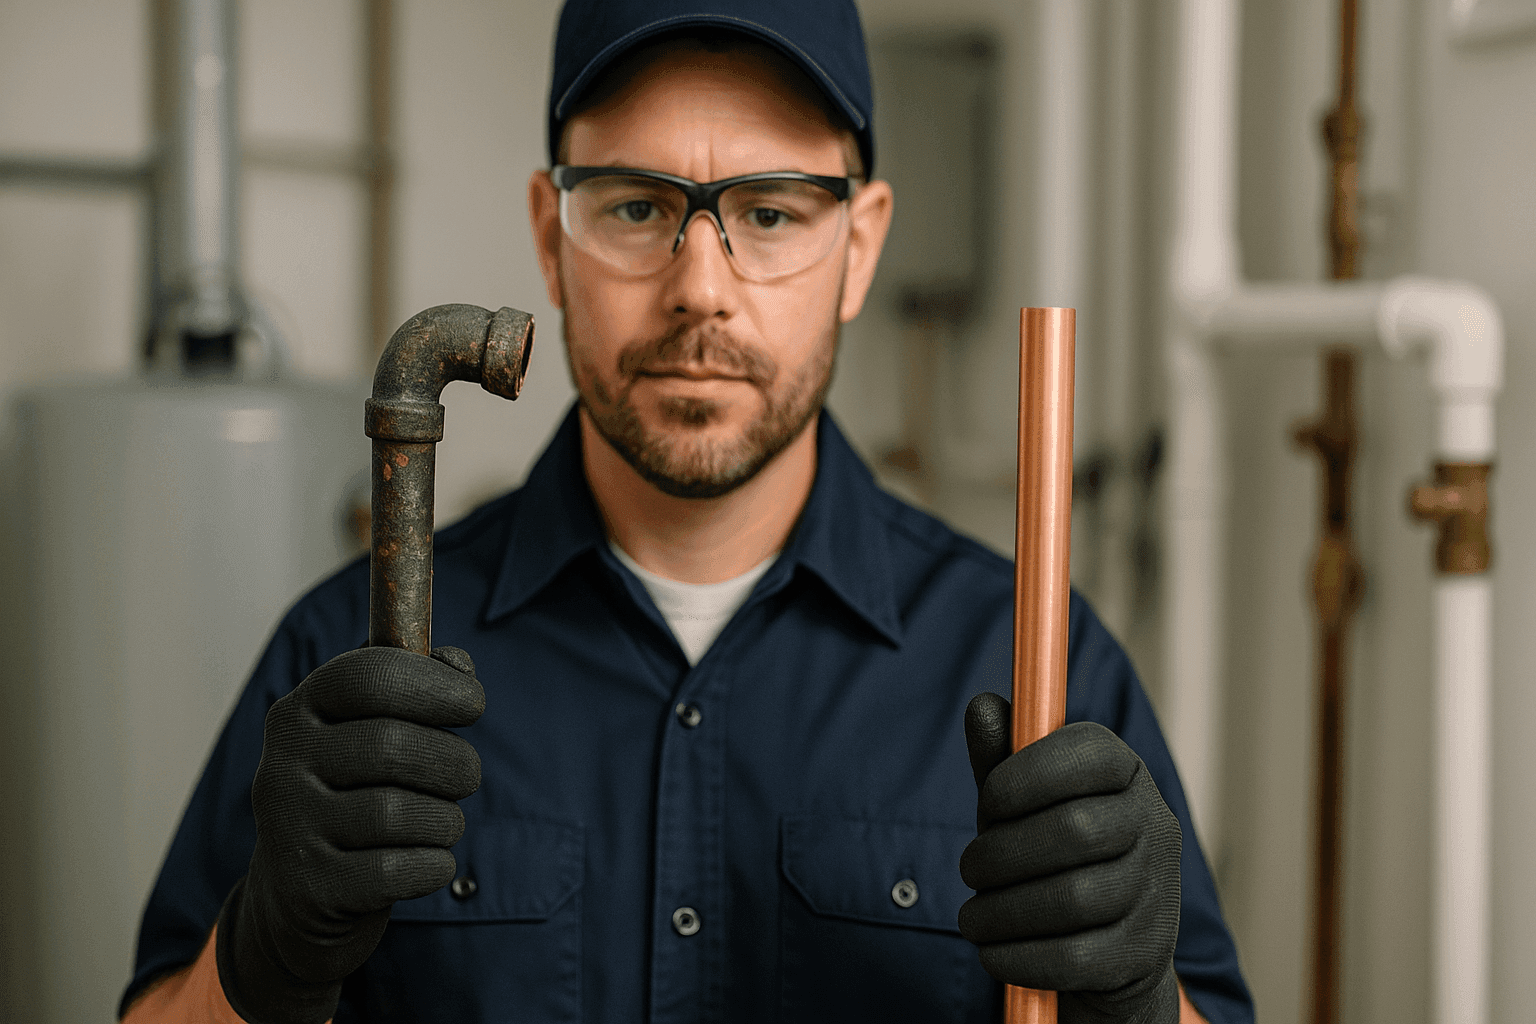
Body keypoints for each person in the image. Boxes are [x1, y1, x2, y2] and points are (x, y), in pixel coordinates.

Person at [120, 1, 1254, 1022]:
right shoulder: (351, 653)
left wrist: (1138, 1004)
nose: (700, 288)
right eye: (635, 205)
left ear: (859, 247)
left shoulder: (1033, 659)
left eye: (769, 213)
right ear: (550, 236)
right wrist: (264, 958)